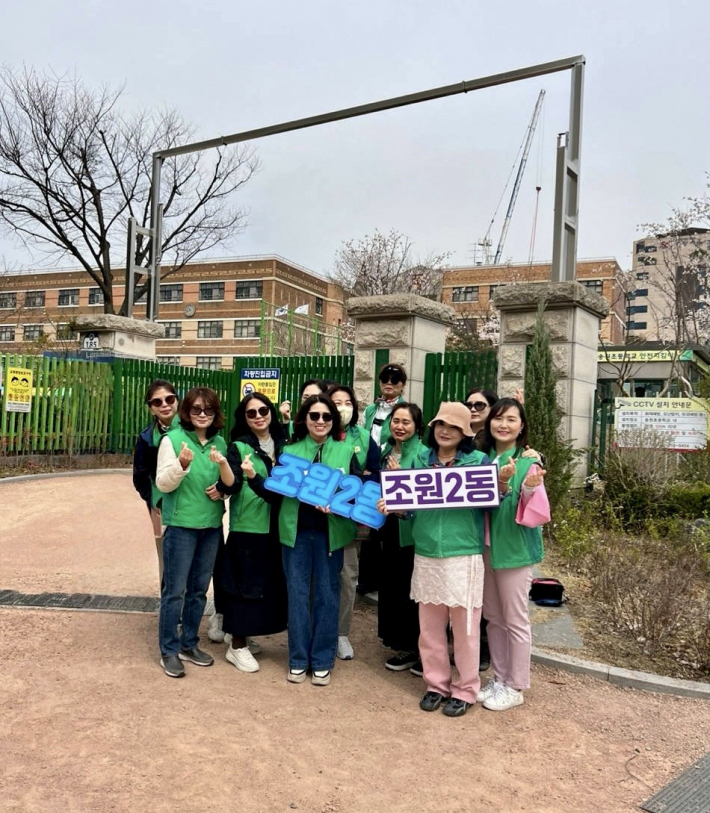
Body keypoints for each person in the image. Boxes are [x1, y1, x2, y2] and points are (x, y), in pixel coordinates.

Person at [381, 402, 494, 718]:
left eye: (454, 426)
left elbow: (491, 504)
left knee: (466, 628)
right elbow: (410, 509)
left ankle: (466, 688)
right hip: (427, 551)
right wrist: (394, 504)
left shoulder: (478, 462)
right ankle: (436, 684)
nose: (446, 431)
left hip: (464, 553)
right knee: (429, 628)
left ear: (464, 433)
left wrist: (502, 484)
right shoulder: (417, 460)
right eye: (441, 425)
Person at [255, 393, 359, 686]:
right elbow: (276, 490)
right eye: (315, 416)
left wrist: (338, 503)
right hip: (296, 532)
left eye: (327, 416)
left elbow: (354, 495)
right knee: (298, 596)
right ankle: (298, 658)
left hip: (331, 533)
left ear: (333, 421)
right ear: (305, 419)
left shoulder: (345, 451)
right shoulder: (290, 451)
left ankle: (323, 659)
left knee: (327, 596)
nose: (321, 421)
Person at [155, 387, 234, 679]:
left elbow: (224, 481)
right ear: (187, 412)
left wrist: (222, 491)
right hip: (181, 527)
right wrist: (182, 465)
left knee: (199, 591)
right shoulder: (172, 440)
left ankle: (189, 642)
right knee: (174, 592)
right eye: (197, 409)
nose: (203, 414)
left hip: (211, 526)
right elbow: (163, 484)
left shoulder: (220, 443)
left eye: (209, 410)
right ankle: (168, 649)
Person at [477, 397, 550, 712]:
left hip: (514, 551)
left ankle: (516, 685)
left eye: (511, 419)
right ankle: (499, 677)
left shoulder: (528, 462)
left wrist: (530, 488)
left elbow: (534, 505)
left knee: (515, 619)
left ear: (521, 427)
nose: (503, 424)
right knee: (493, 617)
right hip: (484, 549)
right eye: (498, 418)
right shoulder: (482, 460)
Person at [209, 393, 288, 673]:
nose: (258, 416)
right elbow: (228, 485)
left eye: (263, 410)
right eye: (251, 413)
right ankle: (237, 645)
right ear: (244, 418)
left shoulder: (284, 444)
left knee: (268, 583)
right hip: (249, 526)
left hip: (278, 524)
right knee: (244, 585)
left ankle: (247, 634)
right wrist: (223, 469)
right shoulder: (239, 447)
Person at [327, 383, 381, 661]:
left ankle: (340, 634)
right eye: (336, 402)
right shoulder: (318, 432)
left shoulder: (362, 436)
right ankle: (318, 629)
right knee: (317, 577)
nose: (342, 408)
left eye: (347, 402)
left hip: (349, 519)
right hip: (317, 517)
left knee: (347, 577)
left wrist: (354, 482)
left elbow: (375, 473)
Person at [376, 402, 426, 675]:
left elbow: (424, 496)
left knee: (413, 591)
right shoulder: (385, 452)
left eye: (406, 422)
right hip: (388, 529)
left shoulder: (423, 455)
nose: (400, 426)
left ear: (417, 426)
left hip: (414, 534)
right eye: (396, 421)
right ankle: (402, 644)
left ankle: (420, 649)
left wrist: (400, 480)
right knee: (394, 587)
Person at [359, 363, 408, 595]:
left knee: (389, 523)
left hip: (391, 468)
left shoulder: (403, 410)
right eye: (385, 379)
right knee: (371, 523)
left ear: (402, 386)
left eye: (395, 380)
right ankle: (367, 579)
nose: (389, 383)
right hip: (372, 469)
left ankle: (385, 579)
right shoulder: (370, 409)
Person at [132, 379, 179, 586]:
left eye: (169, 399)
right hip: (161, 504)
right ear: (151, 408)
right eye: (157, 402)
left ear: (177, 400)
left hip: (192, 503)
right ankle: (170, 607)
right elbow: (140, 475)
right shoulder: (147, 437)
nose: (164, 405)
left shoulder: (193, 429)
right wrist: (153, 501)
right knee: (165, 555)